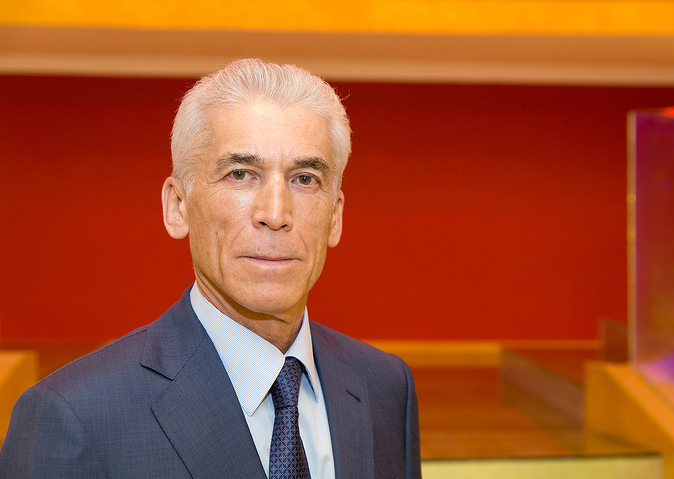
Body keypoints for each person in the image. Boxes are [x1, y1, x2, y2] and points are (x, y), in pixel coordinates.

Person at [0, 58, 421, 478]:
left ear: (335, 217)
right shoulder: (74, 416)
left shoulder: (386, 388)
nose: (276, 214)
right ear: (177, 207)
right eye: (241, 174)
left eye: (305, 179)